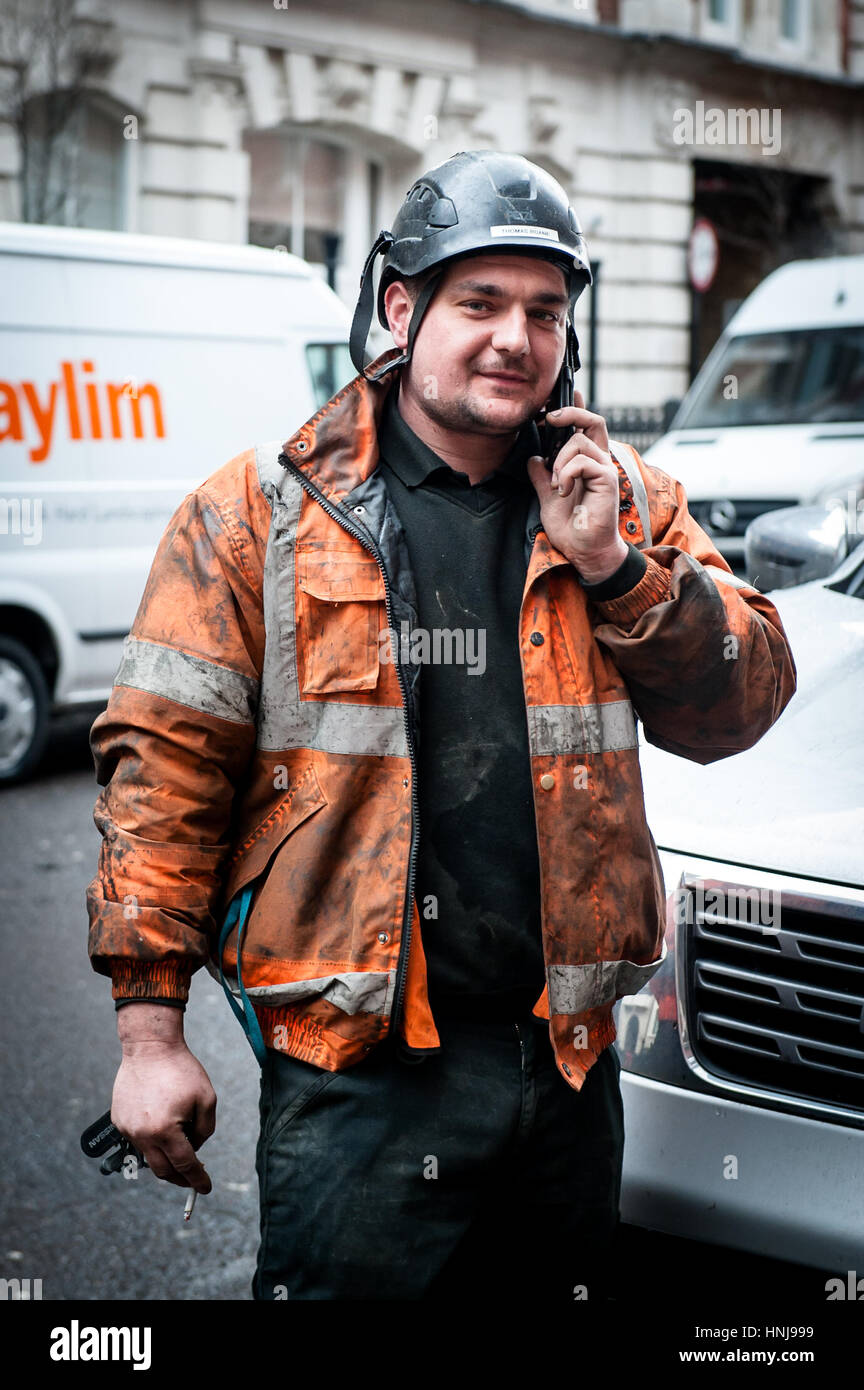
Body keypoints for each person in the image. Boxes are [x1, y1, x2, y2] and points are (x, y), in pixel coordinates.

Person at [87, 150, 797, 1302]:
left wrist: (614, 565)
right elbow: (162, 775)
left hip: (567, 1069)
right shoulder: (259, 515)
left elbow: (745, 701)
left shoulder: (623, 502)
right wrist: (148, 1037)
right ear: (401, 307)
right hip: (359, 1081)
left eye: (544, 311)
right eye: (480, 303)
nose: (516, 337)